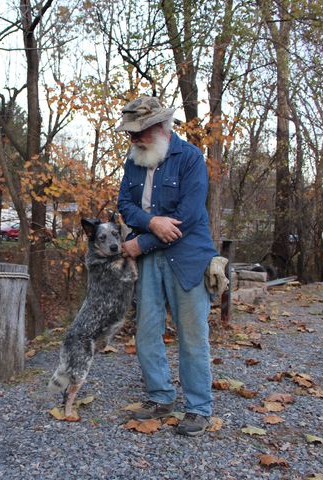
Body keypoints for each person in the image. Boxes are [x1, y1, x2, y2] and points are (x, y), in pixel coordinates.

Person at [117, 95, 219, 437]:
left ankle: (198, 408)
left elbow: (188, 218)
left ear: (160, 128)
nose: (132, 139)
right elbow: (125, 204)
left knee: (192, 335)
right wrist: (151, 221)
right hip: (149, 260)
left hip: (188, 256)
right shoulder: (133, 160)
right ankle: (160, 397)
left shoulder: (190, 158)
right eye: (130, 133)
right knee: (146, 331)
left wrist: (142, 240)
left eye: (138, 132)